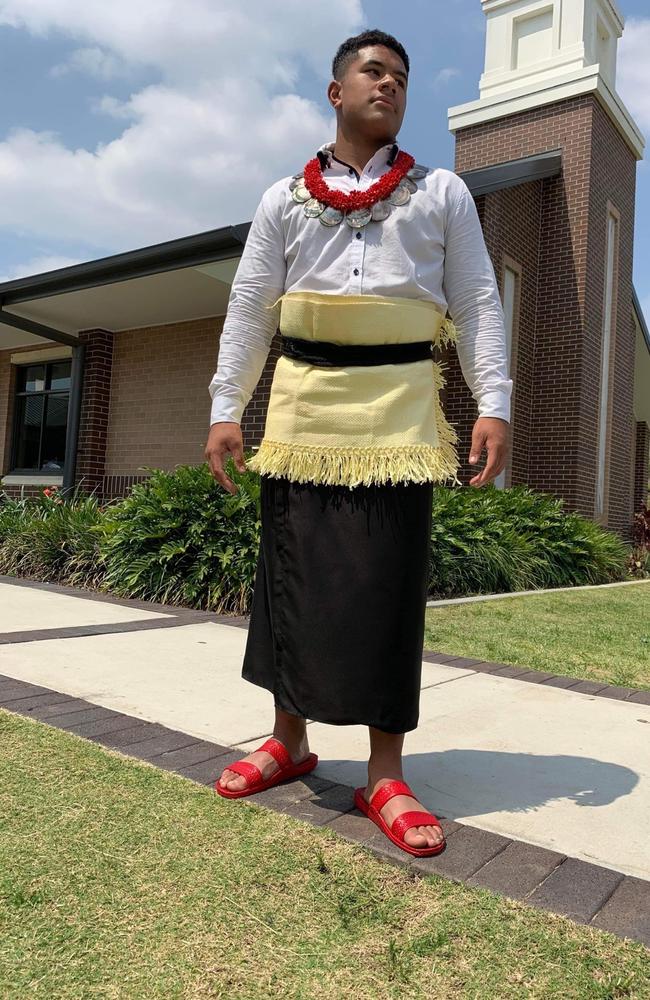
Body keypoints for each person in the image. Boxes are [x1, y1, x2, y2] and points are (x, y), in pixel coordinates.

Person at [205, 29, 512, 857]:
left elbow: (479, 302)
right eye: (374, 72)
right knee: (292, 577)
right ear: (336, 92)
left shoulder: (443, 192)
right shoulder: (283, 200)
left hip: (402, 416)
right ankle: (288, 739)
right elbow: (250, 307)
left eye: (402, 78)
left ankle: (385, 773)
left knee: (385, 586)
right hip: (303, 413)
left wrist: (496, 402)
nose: (391, 85)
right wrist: (225, 406)